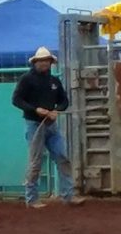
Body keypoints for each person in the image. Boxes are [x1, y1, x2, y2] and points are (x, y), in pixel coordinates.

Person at [12, 46, 85, 208]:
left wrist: (56, 110)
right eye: (41, 61)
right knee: (35, 161)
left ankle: (68, 195)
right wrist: (35, 109)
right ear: (35, 62)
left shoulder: (54, 81)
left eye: (47, 61)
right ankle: (31, 199)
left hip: (51, 125)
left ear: (50, 62)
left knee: (62, 157)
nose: (44, 63)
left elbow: (64, 101)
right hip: (34, 124)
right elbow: (17, 100)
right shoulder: (27, 79)